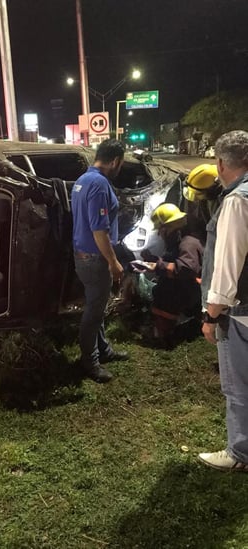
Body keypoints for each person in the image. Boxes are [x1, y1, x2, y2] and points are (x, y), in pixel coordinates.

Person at [198, 130, 248, 472]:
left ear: (219, 163)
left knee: (238, 386)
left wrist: (212, 315)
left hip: (239, 313)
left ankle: (240, 453)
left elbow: (229, 265)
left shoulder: (236, 201)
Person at [71, 139, 128, 383]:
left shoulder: (82, 180)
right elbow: (99, 230)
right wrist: (113, 261)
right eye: (121, 164)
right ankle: (90, 362)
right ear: (115, 161)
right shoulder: (99, 184)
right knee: (94, 312)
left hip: (83, 256)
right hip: (95, 259)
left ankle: (103, 350)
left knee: (97, 305)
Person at [139, 203, 204, 348]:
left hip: (193, 290)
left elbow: (186, 269)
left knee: (165, 290)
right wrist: (153, 260)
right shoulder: (183, 239)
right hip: (192, 288)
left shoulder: (187, 243)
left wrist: (158, 267)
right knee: (165, 286)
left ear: (166, 228)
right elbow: (174, 261)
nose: (159, 234)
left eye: (160, 231)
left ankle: (163, 333)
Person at [182, 163, 222, 240]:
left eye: (199, 194)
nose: (198, 199)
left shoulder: (224, 202)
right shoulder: (205, 199)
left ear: (213, 190)